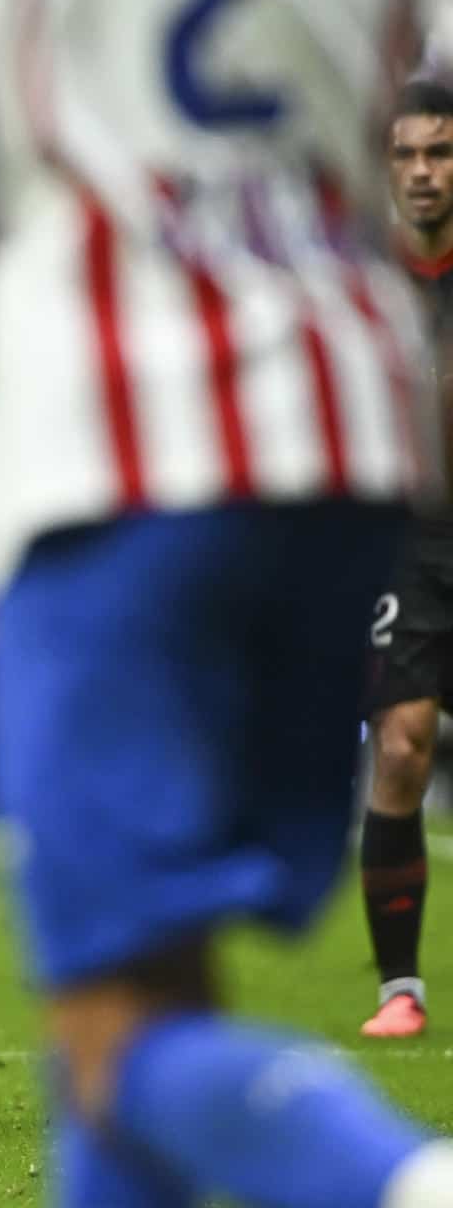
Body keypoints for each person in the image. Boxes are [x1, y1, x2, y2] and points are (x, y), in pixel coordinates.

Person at [0, 0, 453, 1205]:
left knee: (111, 1024)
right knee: (154, 979)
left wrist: (26, 293)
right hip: (346, 429)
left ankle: (403, 1177)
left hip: (115, 438)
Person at [361, 80, 453, 1041]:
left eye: (441, 152)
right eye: (409, 155)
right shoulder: (366, 273)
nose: (425, 172)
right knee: (401, 741)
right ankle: (401, 989)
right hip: (404, 540)